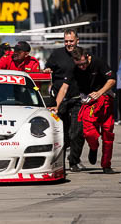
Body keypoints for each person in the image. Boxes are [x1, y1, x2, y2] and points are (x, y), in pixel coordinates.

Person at [54, 46, 116, 174]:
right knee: (88, 132)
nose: (82, 67)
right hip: (87, 102)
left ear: (87, 57)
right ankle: (93, 147)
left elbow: (112, 80)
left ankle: (106, 165)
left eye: (84, 64)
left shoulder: (98, 62)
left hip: (105, 98)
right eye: (79, 65)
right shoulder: (73, 67)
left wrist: (99, 93)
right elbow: (64, 88)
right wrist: (56, 105)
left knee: (107, 133)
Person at [43, 28, 85, 172]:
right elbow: (47, 67)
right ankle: (61, 160)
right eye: (66, 41)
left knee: (78, 132)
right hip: (59, 99)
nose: (68, 44)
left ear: (77, 41)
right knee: (62, 132)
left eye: (71, 41)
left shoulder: (82, 54)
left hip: (77, 98)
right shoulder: (57, 54)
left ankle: (74, 160)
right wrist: (47, 69)